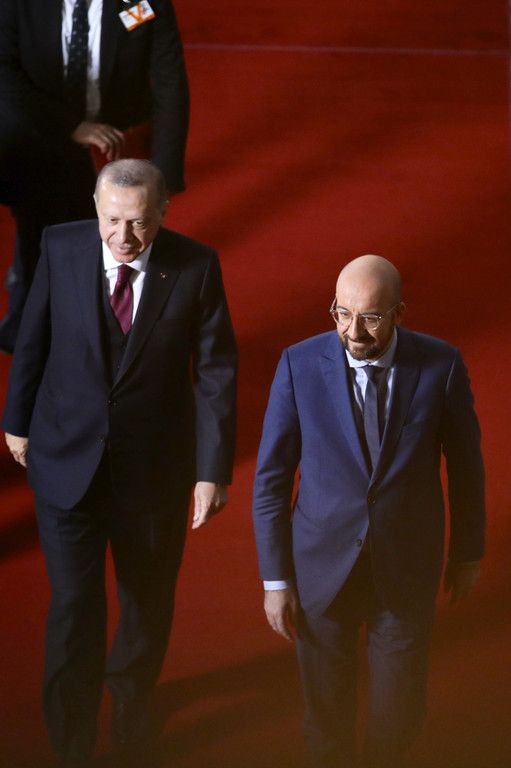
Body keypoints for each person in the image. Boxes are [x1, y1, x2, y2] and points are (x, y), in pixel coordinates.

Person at [2, 159, 237, 768]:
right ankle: (71, 743)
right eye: (111, 220)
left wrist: (212, 469)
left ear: (163, 212)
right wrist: (16, 420)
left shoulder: (196, 266)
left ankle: (131, 709)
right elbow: (33, 336)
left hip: (154, 474)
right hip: (66, 462)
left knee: (146, 605)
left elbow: (216, 370)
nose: (123, 237)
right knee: (74, 607)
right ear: (95, 208)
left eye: (138, 222)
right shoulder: (60, 247)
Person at [252, 255, 485, 768]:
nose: (353, 331)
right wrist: (275, 580)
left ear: (399, 312)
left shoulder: (441, 365)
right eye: (342, 313)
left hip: (405, 568)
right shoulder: (298, 364)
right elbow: (270, 478)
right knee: (326, 719)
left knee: (398, 717)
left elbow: (467, 468)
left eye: (371, 317)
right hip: (320, 569)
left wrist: (468, 553)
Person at [0, 0, 189, 353]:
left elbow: (169, 79)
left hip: (115, 148)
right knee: (38, 247)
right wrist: (70, 126)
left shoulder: (142, 3)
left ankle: (116, 340)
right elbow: (5, 73)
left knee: (119, 250)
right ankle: (29, 330)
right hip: (38, 139)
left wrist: (163, 176)